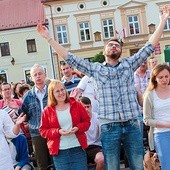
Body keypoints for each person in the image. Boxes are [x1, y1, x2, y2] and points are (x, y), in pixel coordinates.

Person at [37, 6, 170, 170]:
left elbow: (150, 45)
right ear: (104, 51)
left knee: (137, 165)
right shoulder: (95, 69)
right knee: (111, 166)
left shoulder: (129, 64)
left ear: (120, 51)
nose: (114, 46)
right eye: (110, 45)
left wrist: (163, 20)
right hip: (109, 126)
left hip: (131, 124)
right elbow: (69, 58)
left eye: (117, 45)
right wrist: (49, 39)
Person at [39, 80, 90, 170]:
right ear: (52, 94)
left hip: (77, 148)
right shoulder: (47, 111)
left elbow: (86, 122)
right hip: (59, 152)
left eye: (62, 89)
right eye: (57, 91)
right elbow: (43, 131)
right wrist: (58, 131)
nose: (61, 93)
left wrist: (78, 128)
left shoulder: (77, 105)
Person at [20, 64, 51, 170]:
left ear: (45, 75)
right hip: (36, 133)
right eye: (35, 75)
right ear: (31, 78)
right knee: (42, 164)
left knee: (56, 161)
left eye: (40, 73)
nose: (38, 76)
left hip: (53, 131)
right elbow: (24, 114)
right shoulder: (28, 96)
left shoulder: (52, 92)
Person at [143, 64, 170, 170]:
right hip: (161, 133)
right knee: (167, 165)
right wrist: (166, 125)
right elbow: (146, 119)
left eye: (166, 76)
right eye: (161, 77)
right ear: (155, 78)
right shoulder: (150, 95)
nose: (164, 80)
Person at [80, 97, 105, 170]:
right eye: (84, 107)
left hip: (95, 146)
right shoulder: (76, 118)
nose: (86, 109)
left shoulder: (97, 117)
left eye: (88, 106)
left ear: (91, 106)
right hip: (80, 147)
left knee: (101, 160)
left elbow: (102, 133)